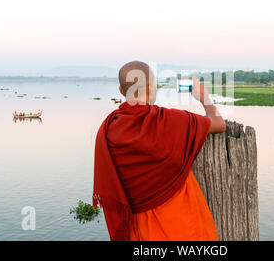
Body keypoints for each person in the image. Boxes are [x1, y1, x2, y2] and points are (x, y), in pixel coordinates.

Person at [93, 61, 226, 241]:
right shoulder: (172, 120)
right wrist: (204, 98)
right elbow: (218, 124)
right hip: (180, 229)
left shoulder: (109, 129)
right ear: (151, 87)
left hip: (138, 232)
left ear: (121, 91)